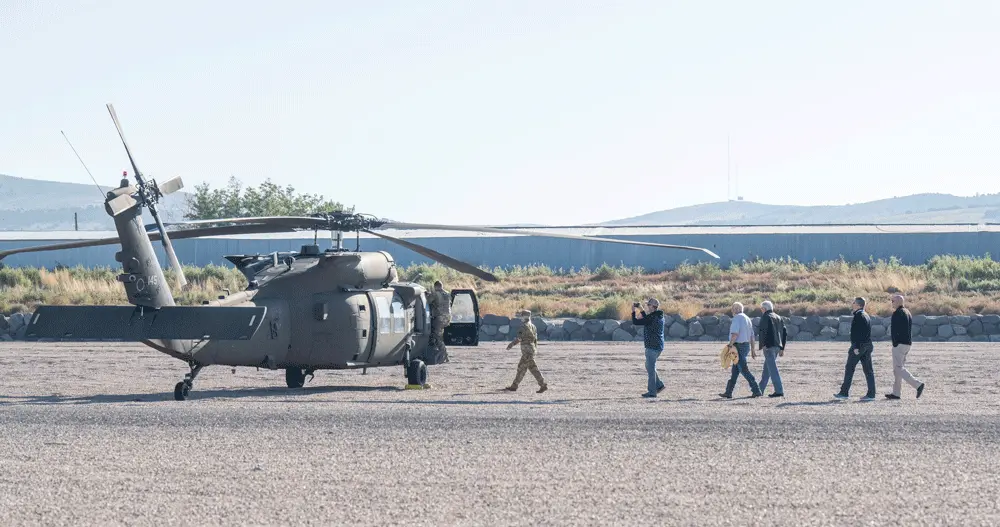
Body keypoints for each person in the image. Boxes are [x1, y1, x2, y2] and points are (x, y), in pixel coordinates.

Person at [835, 297, 876, 401]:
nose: (852, 304)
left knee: (849, 368)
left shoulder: (858, 315)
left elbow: (857, 333)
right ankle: (871, 394)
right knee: (868, 370)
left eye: (853, 302)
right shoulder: (866, 315)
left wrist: (856, 347)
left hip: (859, 346)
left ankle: (844, 392)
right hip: (867, 345)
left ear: (858, 305)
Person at [886, 294, 925, 399]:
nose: (891, 302)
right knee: (898, 368)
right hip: (907, 343)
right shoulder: (907, 312)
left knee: (898, 368)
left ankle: (918, 385)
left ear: (898, 301)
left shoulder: (897, 313)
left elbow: (895, 330)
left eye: (893, 301)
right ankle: (896, 393)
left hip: (900, 344)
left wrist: (895, 342)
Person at [720, 302, 762, 398]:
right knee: (735, 371)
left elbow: (735, 334)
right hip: (746, 346)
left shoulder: (737, 318)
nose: (732, 311)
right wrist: (752, 350)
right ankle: (728, 392)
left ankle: (756, 390)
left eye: (732, 309)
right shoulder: (747, 318)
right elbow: (752, 336)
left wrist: (730, 345)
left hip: (737, 347)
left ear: (736, 309)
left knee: (744, 370)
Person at [504, 310, 547, 393]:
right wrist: (535, 349)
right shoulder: (533, 326)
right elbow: (535, 340)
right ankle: (514, 386)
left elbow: (519, 339)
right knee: (526, 368)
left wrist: (511, 345)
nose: (520, 318)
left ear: (524, 317)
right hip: (532, 349)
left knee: (527, 368)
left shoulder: (523, 327)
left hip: (527, 351)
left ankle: (542, 384)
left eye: (521, 316)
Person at [632, 298, 666, 398]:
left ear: (652, 306)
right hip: (658, 346)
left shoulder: (652, 318)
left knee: (650, 369)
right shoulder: (659, 316)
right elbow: (648, 319)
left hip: (652, 346)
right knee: (649, 366)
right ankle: (659, 385)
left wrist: (633, 311)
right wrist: (641, 309)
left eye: (648, 305)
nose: (647, 307)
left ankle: (652, 392)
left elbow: (636, 322)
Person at [757, 300, 786, 398]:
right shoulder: (778, 317)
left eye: (761, 308)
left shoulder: (765, 316)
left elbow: (763, 331)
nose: (761, 310)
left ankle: (779, 390)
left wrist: (762, 345)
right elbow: (784, 332)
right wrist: (782, 347)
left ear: (764, 308)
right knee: (767, 370)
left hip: (769, 346)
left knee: (772, 369)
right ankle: (759, 390)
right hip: (777, 346)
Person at [426, 281, 451, 363]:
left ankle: (444, 356)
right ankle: (439, 355)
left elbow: (428, 301)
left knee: (437, 337)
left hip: (439, 318)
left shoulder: (435, 294)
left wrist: (427, 294)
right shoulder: (447, 293)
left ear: (436, 286)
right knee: (437, 335)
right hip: (447, 318)